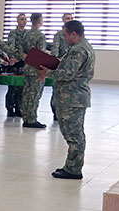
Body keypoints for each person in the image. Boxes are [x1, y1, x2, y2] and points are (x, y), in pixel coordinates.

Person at [40, 20, 95, 179]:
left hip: (72, 98)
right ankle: (71, 166)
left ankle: (73, 169)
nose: (63, 38)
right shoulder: (81, 46)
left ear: (74, 34)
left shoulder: (78, 50)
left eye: (65, 35)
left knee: (74, 135)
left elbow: (68, 74)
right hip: (73, 96)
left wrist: (47, 72)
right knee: (74, 134)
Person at [20, 13, 48, 129]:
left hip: (27, 67)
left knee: (27, 95)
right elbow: (41, 55)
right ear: (40, 21)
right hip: (36, 69)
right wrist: (42, 71)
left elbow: (22, 50)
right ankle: (31, 120)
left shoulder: (26, 34)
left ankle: (26, 118)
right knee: (34, 96)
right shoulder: (40, 36)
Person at [50, 13, 74, 121]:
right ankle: (55, 112)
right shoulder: (59, 35)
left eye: (71, 18)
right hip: (60, 63)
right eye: (67, 18)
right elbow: (55, 48)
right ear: (63, 20)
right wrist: (55, 61)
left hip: (71, 64)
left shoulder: (75, 35)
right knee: (57, 89)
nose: (69, 20)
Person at [5, 13, 27, 117]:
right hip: (15, 63)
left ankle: (19, 108)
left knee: (22, 88)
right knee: (12, 87)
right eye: (22, 19)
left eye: (25, 19)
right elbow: (10, 46)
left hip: (25, 63)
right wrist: (12, 57)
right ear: (17, 21)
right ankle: (10, 108)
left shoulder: (28, 34)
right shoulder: (13, 33)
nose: (24, 21)